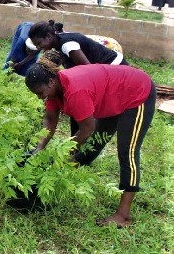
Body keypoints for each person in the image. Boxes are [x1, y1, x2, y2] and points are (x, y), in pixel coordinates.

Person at [25, 50, 156, 227]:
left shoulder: (75, 90)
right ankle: (66, 173)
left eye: (40, 93)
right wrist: (40, 148)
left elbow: (86, 129)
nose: (41, 97)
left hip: (136, 92)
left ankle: (124, 215)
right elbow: (49, 120)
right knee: (96, 143)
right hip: (113, 95)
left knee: (127, 152)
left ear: (50, 81)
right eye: (37, 95)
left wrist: (62, 155)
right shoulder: (53, 89)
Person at [28, 20, 128, 136]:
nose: (39, 47)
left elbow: (89, 71)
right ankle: (79, 139)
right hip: (102, 70)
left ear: (49, 36)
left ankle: (84, 139)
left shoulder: (67, 45)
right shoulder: (58, 44)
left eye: (39, 43)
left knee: (88, 112)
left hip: (114, 67)